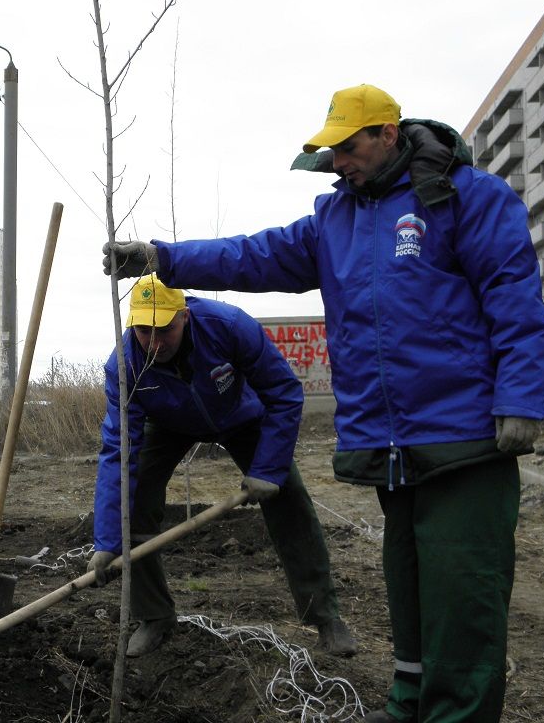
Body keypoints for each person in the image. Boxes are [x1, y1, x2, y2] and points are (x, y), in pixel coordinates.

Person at [102, 85, 544, 722]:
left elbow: (513, 295)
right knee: (410, 582)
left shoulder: (464, 198)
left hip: (465, 434)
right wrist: (162, 257)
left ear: (388, 134)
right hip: (392, 444)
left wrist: (521, 397)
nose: (337, 160)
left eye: (348, 146)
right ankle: (408, 702)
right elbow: (250, 255)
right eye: (330, 150)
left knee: (463, 594)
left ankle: (457, 715)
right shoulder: (335, 221)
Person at [87, 273, 357, 659]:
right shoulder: (124, 367)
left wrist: (268, 468)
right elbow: (118, 451)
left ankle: (326, 618)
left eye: (163, 328)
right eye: (144, 331)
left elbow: (283, 393)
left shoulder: (228, 327)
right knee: (136, 504)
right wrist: (108, 540)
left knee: (289, 497)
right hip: (167, 422)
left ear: (184, 316)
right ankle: (155, 617)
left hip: (239, 415)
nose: (154, 342)